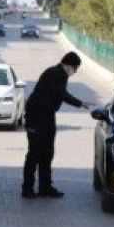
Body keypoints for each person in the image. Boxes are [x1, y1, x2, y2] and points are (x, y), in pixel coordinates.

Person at [22, 51, 91, 199]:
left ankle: (45, 187)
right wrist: (80, 103)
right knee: (34, 153)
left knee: (47, 153)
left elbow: (60, 94)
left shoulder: (61, 74)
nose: (75, 71)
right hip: (36, 116)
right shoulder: (54, 73)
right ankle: (27, 188)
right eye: (75, 68)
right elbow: (62, 94)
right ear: (67, 64)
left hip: (48, 116)